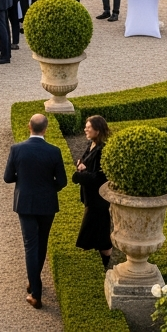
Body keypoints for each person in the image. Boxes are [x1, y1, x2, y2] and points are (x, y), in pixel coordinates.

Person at [3, 113, 68, 309]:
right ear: (45, 129)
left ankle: (35, 292)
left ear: (29, 127)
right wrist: (48, 190)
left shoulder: (17, 149)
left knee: (30, 245)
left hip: (26, 203)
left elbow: (8, 177)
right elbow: (62, 182)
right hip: (47, 204)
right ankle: (34, 281)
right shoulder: (54, 151)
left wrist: (24, 180)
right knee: (42, 242)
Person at [73, 115, 113, 269]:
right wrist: (82, 165)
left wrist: (80, 174)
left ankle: (105, 264)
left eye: (88, 127)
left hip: (99, 200)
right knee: (98, 231)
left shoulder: (102, 149)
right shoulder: (92, 144)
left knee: (100, 232)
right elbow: (85, 162)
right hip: (92, 198)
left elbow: (100, 178)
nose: (85, 129)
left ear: (97, 130)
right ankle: (103, 263)